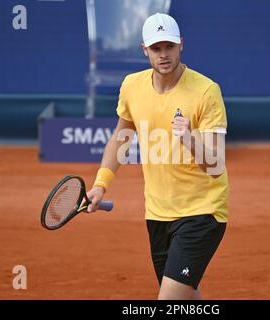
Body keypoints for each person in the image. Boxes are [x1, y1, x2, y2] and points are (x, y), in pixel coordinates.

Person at [86, 12, 229, 300]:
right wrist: (100, 185)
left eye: (169, 47)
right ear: (145, 50)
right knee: (186, 297)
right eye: (156, 48)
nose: (163, 55)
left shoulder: (206, 92)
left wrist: (190, 139)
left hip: (202, 213)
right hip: (158, 215)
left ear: (181, 46)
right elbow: (121, 138)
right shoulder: (132, 87)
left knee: (168, 299)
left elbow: (215, 166)